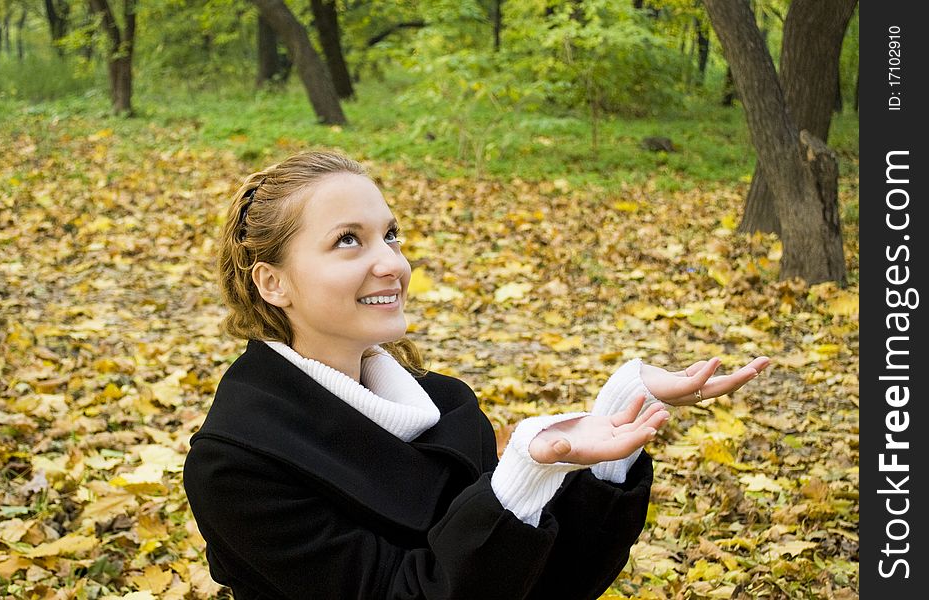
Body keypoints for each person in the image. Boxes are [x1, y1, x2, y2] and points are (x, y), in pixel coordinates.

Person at [182, 151, 769, 599]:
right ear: (272, 283)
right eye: (347, 242)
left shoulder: (442, 404)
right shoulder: (239, 461)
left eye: (389, 235)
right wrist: (517, 481)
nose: (391, 263)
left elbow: (551, 584)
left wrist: (619, 411)